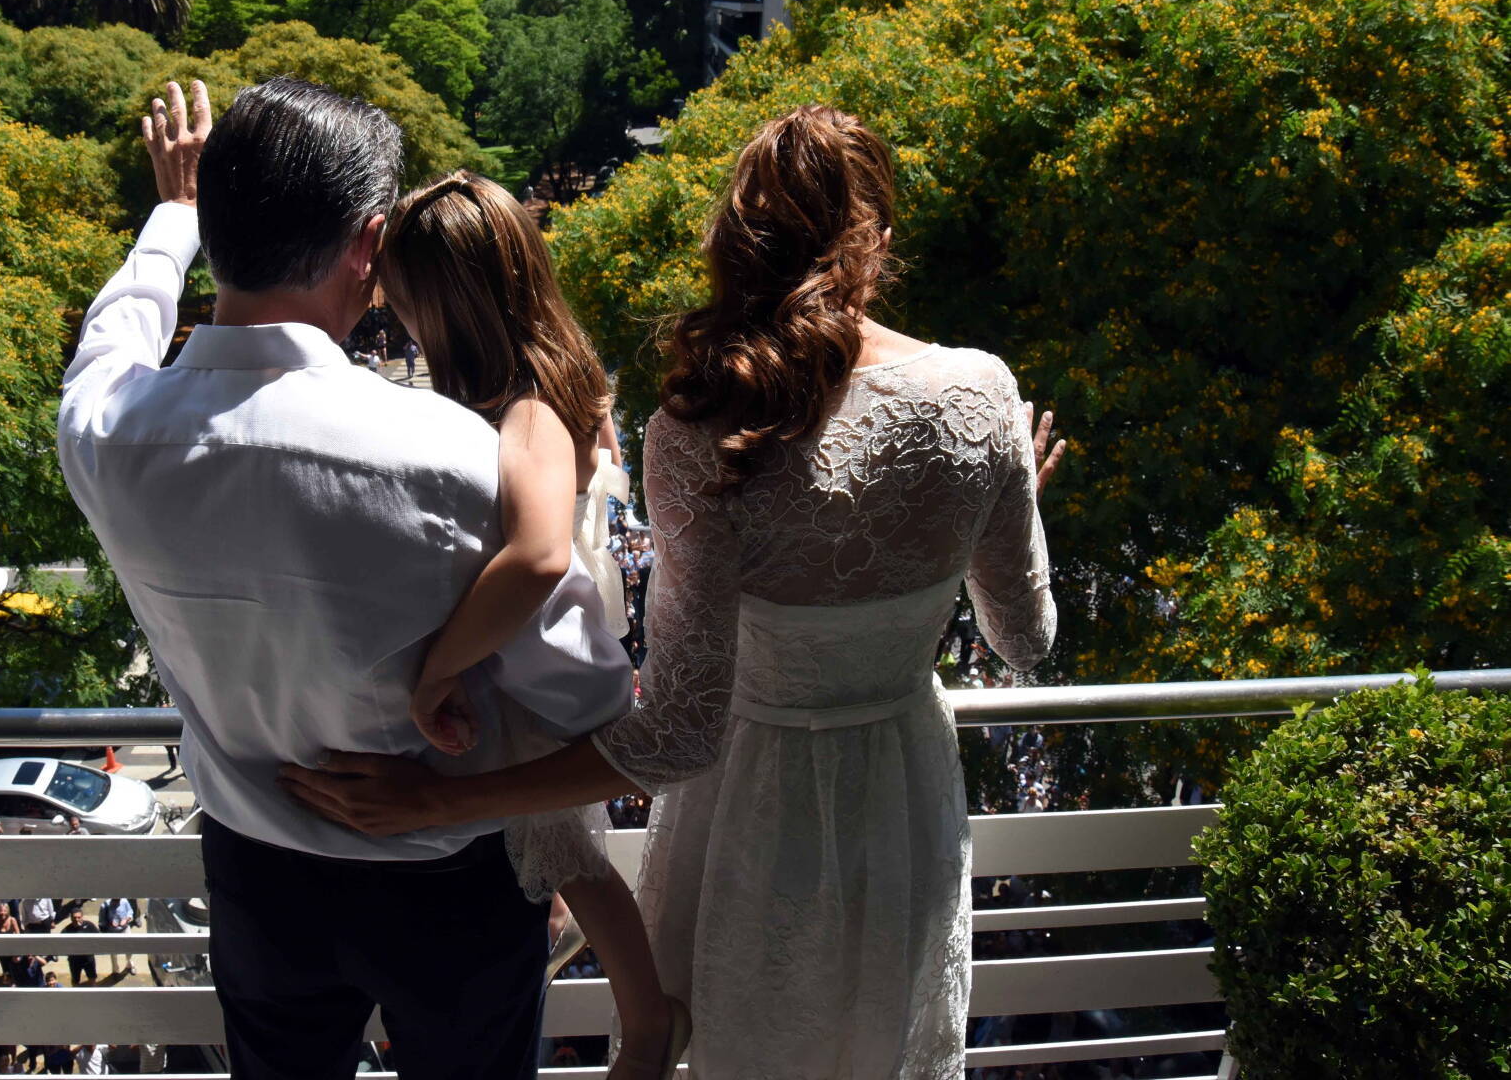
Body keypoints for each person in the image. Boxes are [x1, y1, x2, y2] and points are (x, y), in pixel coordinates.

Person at [280, 105, 1065, 1078]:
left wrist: (444, 801)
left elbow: (682, 730)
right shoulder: (982, 396)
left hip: (755, 800)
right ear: (880, 240)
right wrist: (1009, 494)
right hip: (900, 792)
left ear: (732, 242)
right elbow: (1022, 638)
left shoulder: (704, 424)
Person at [56, 77, 632, 1078]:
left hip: (252, 873)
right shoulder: (454, 457)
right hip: (446, 883)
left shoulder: (105, 426)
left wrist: (170, 214)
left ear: (220, 223)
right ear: (368, 245)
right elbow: (592, 706)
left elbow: (121, 318)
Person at [375, 171, 685, 1076]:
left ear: (448, 301)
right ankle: (646, 1013)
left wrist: (435, 670)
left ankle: (650, 1020)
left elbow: (541, 554)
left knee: (573, 856)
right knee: (566, 857)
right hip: (545, 667)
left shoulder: (528, 405)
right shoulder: (556, 377)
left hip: (540, 674)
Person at [97, 897, 134, 977]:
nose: (118, 901)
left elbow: (130, 911)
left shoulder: (124, 901)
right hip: (112, 932)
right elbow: (101, 922)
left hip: (125, 930)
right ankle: (115, 971)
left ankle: (129, 964)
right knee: (113, 954)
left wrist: (127, 919)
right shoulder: (105, 905)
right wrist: (110, 924)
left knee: (130, 949)